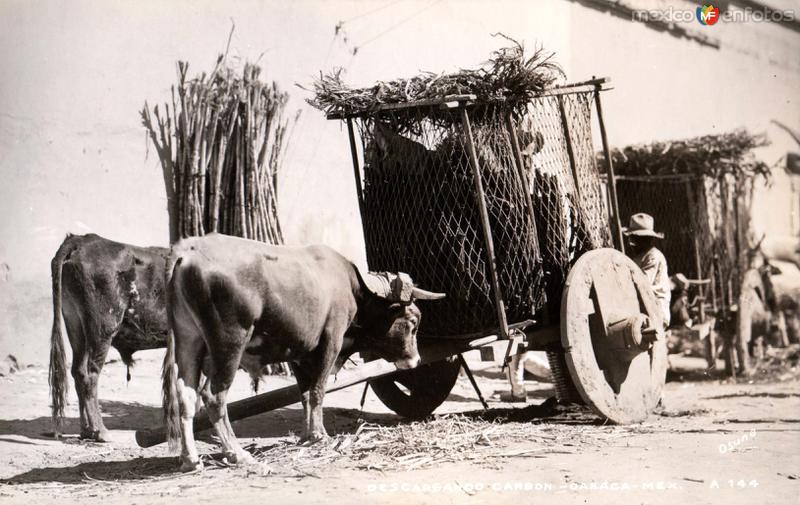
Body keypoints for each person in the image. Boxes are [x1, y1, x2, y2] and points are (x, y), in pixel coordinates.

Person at [624, 213, 671, 327]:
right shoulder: (638, 257)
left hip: (656, 309)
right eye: (632, 240)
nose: (632, 244)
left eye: (636, 240)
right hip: (645, 305)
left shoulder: (653, 256)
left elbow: (642, 283)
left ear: (647, 240)